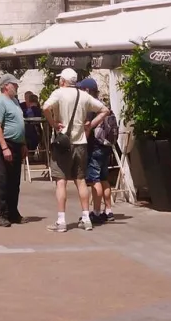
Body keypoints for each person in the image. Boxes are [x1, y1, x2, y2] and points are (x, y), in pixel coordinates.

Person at [42, 68, 107, 232]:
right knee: (81, 180)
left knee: (61, 181)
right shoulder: (83, 95)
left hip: (63, 143)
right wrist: (90, 125)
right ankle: (86, 218)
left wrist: (53, 123)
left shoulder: (59, 93)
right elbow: (104, 110)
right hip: (81, 143)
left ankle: (61, 221)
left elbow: (45, 107)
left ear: (63, 81)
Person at [79, 77, 117, 225]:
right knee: (103, 179)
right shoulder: (103, 104)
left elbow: (87, 127)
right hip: (106, 146)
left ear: (87, 90)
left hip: (94, 147)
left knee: (94, 180)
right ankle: (108, 211)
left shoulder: (90, 107)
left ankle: (95, 212)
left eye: (81, 89)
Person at [0, 74, 25, 227]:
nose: (16, 87)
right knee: (3, 180)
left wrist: (23, 144)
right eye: (14, 85)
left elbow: (19, 123)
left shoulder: (15, 101)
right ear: (6, 86)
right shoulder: (0, 102)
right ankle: (2, 214)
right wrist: (4, 147)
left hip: (17, 145)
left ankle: (13, 211)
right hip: (4, 144)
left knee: (14, 181)